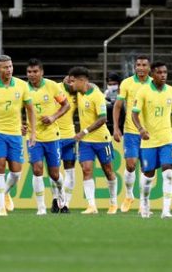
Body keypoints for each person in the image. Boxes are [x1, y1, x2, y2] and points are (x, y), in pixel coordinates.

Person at [0, 55, 36, 216]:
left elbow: (30, 110)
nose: (9, 70)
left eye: (10, 66)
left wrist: (33, 132)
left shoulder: (22, 85)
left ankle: (5, 192)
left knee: (16, 172)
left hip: (16, 134)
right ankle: (1, 208)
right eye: (5, 67)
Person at [130, 61, 172, 219]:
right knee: (148, 175)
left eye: (165, 72)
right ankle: (145, 203)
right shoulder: (143, 91)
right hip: (148, 142)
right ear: (152, 74)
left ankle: (166, 210)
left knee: (168, 172)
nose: (163, 75)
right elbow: (134, 114)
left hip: (167, 139)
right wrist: (141, 129)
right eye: (160, 72)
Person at [69, 66, 118, 215]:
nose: (71, 84)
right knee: (86, 169)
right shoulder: (79, 93)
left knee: (108, 170)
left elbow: (103, 118)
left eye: (73, 81)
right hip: (86, 142)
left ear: (82, 81)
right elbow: (65, 82)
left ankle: (113, 203)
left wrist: (83, 132)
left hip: (102, 140)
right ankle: (92, 206)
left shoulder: (97, 95)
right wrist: (70, 78)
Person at [25, 59, 71, 215]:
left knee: (54, 174)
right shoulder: (23, 88)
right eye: (29, 72)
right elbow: (14, 109)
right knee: (37, 170)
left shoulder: (51, 86)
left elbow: (66, 105)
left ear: (42, 72)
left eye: (35, 71)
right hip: (33, 137)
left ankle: (61, 198)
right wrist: (20, 124)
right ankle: (41, 208)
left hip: (52, 136)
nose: (32, 75)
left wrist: (53, 117)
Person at [112, 55, 151, 213]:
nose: (140, 68)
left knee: (146, 168)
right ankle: (129, 195)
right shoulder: (127, 83)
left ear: (149, 68)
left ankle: (143, 202)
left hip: (149, 133)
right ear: (135, 67)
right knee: (130, 165)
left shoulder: (154, 84)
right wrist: (115, 127)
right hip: (130, 131)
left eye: (144, 65)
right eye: (138, 65)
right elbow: (118, 106)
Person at [55, 76, 78, 213]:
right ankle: (57, 199)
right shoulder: (54, 89)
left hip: (70, 136)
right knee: (55, 171)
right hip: (54, 136)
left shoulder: (78, 93)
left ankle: (66, 204)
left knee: (70, 170)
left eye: (73, 80)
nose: (70, 81)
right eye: (68, 79)